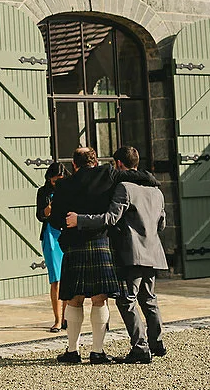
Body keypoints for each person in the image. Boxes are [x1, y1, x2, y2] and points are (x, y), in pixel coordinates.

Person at [49, 146, 158, 364]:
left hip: (74, 243)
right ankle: (97, 352)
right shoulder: (108, 173)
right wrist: (151, 178)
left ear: (74, 164)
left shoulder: (64, 184)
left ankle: (72, 351)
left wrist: (69, 224)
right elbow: (139, 176)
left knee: (74, 299)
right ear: (95, 161)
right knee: (100, 299)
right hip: (100, 242)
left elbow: (54, 219)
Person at [36, 161, 67, 332]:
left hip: (67, 234)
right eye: (55, 180)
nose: (58, 183)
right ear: (49, 179)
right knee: (56, 279)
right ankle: (57, 319)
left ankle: (67, 317)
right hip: (50, 235)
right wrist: (47, 210)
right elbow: (39, 215)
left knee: (68, 277)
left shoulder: (70, 190)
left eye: (61, 180)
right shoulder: (43, 192)